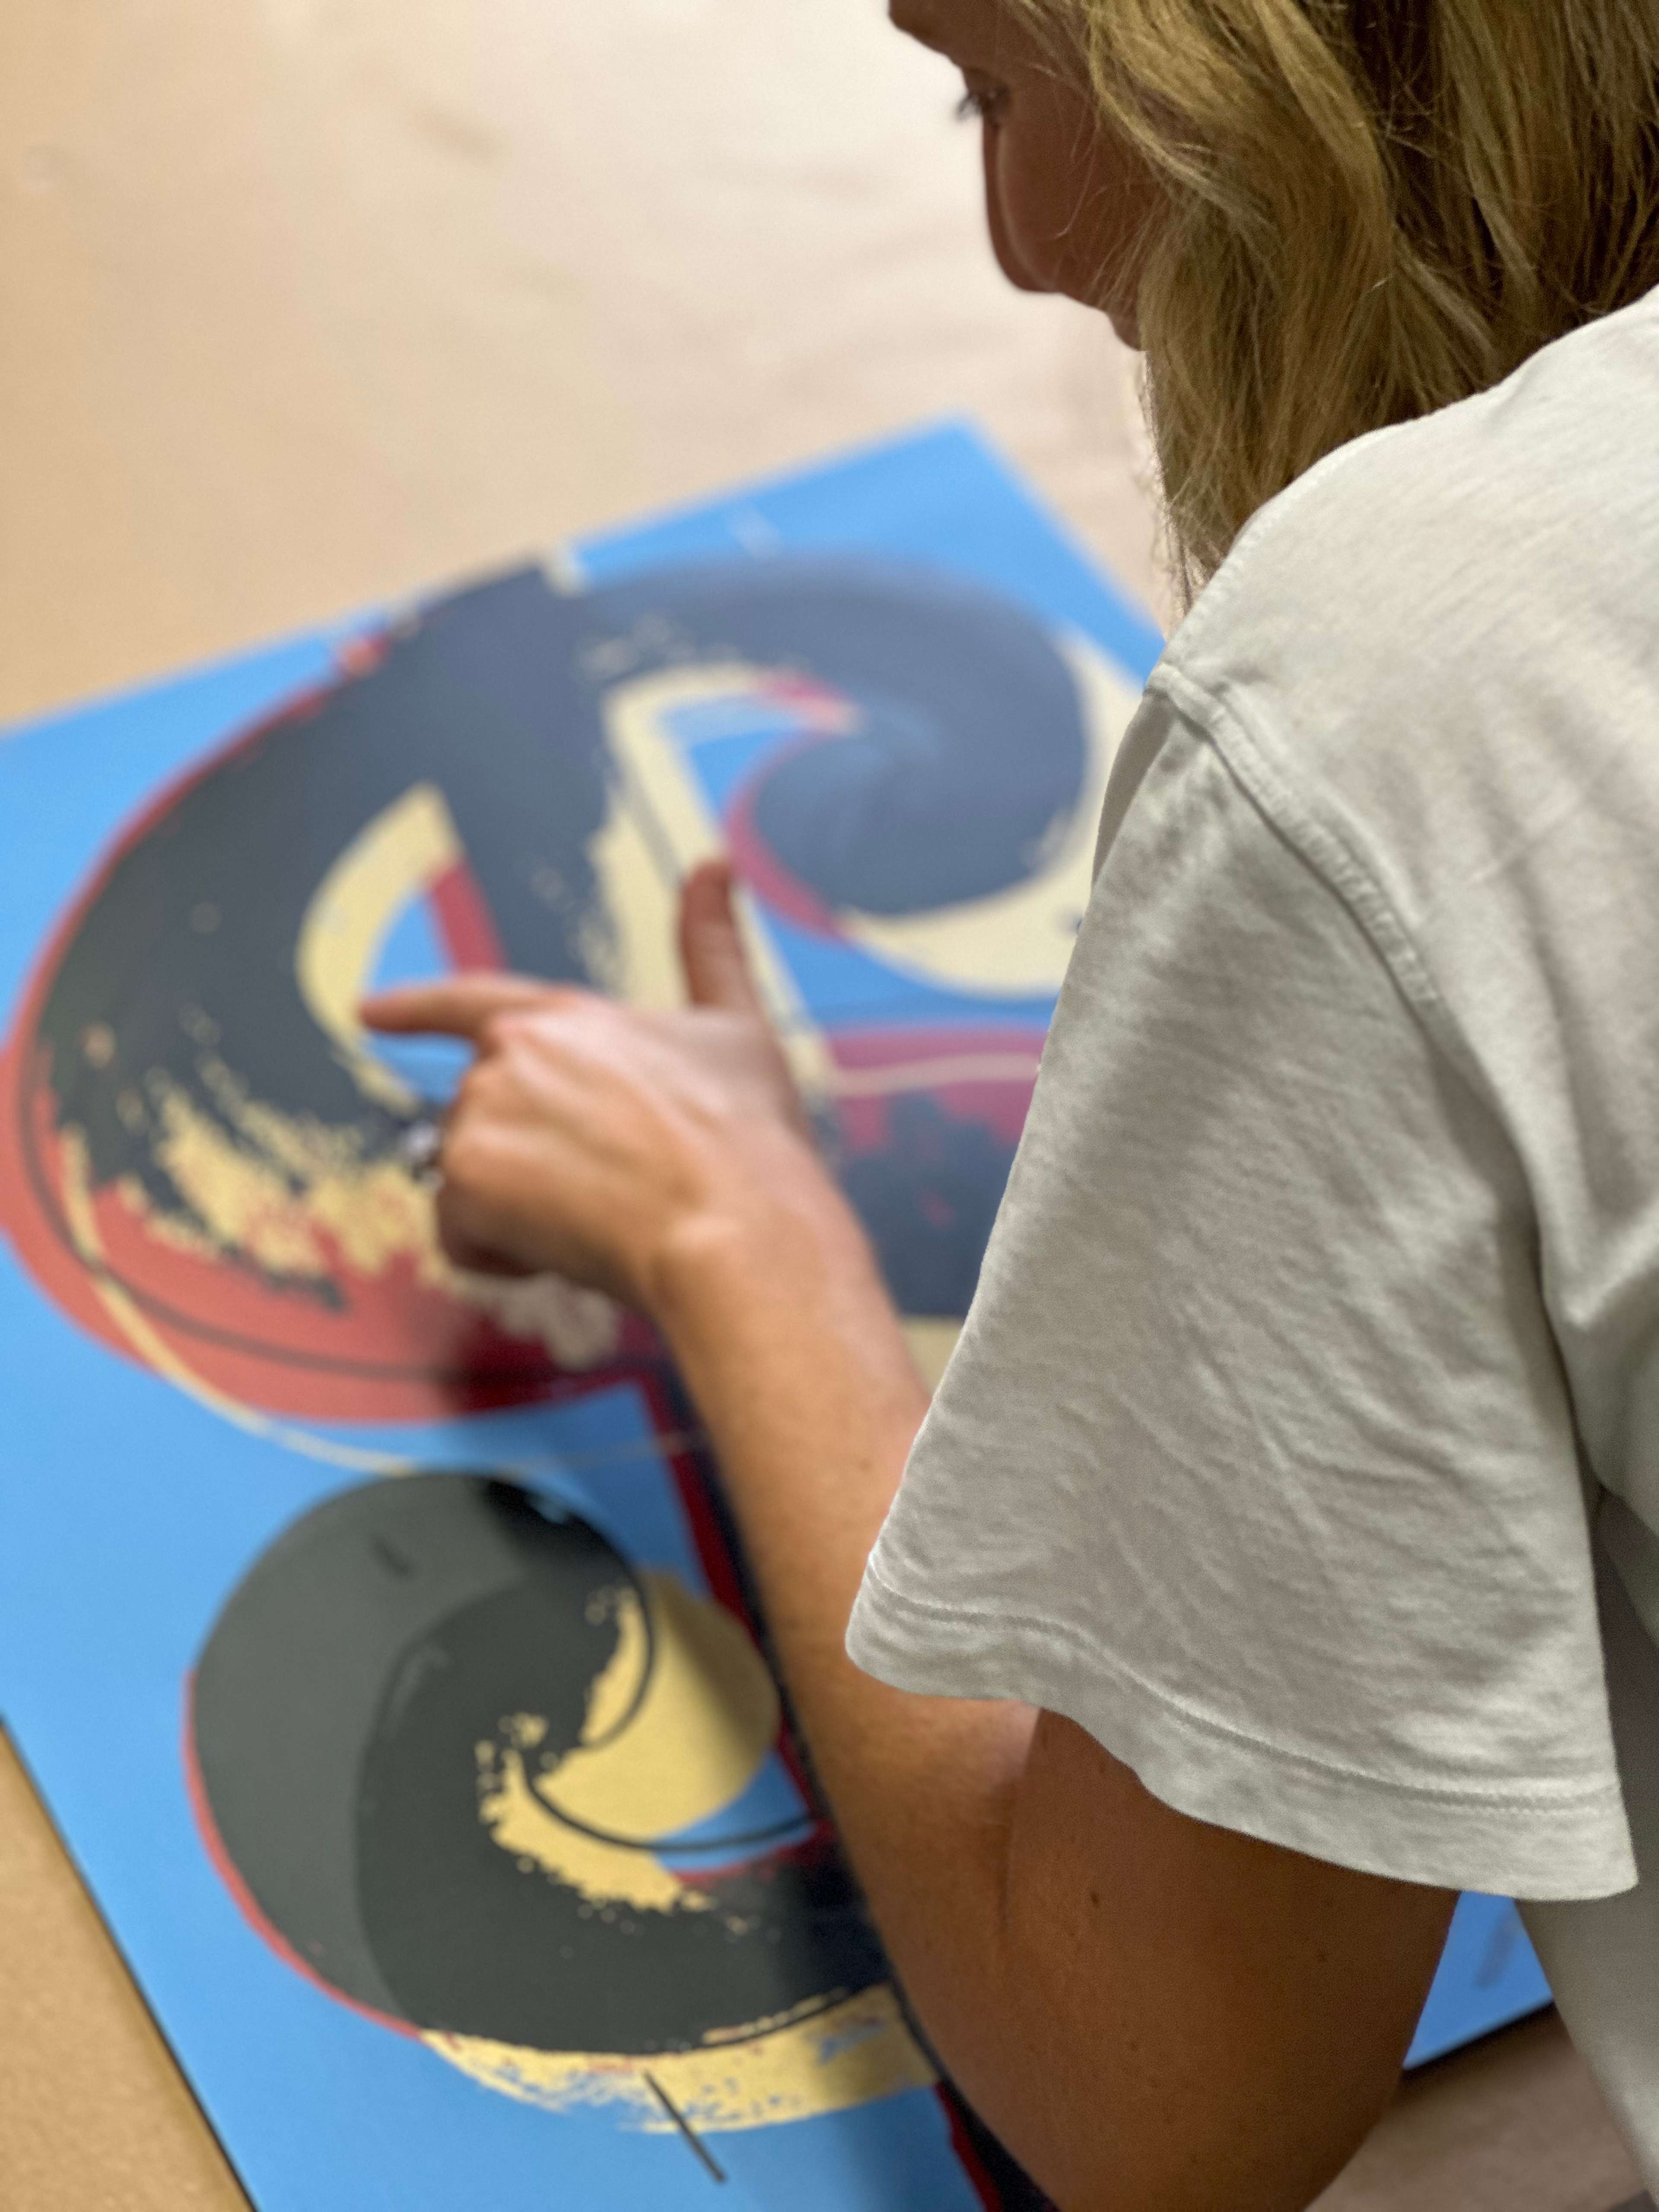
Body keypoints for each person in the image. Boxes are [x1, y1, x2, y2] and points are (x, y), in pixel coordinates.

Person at [363, 1, 1659, 2203]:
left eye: (992, 79)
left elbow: (1161, 2087)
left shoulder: (1407, 692)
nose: (1020, 244)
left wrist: (737, 1224)